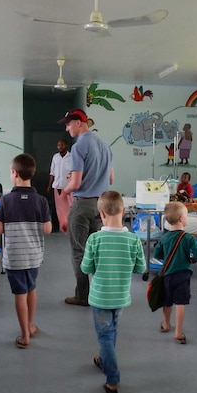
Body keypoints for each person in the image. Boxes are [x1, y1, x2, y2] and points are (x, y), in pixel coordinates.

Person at [80, 191, 146, 393]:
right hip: (121, 297)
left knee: (105, 336)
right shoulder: (133, 240)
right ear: (123, 211)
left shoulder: (94, 239)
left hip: (100, 297)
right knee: (112, 331)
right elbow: (140, 269)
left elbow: (86, 268)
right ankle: (104, 359)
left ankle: (113, 378)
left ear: (101, 214)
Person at [0, 153, 52, 349]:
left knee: (20, 293)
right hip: (34, 255)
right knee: (31, 288)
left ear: (14, 173)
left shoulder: (6, 200)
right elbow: (47, 229)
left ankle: (24, 335)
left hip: (15, 257)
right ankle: (31, 325)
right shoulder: (41, 201)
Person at [58, 108, 114, 307]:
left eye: (68, 124)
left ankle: (83, 295)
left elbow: (76, 182)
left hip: (82, 205)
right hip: (102, 205)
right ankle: (101, 293)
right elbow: (111, 178)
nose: (66, 128)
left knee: (78, 251)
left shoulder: (80, 146)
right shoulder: (105, 146)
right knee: (97, 251)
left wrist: (64, 191)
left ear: (79, 123)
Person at [154, 202, 197, 344]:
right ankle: (178, 332)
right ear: (182, 219)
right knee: (180, 303)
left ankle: (166, 323)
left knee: (167, 301)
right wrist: (190, 258)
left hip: (167, 274)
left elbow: (157, 254)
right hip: (183, 275)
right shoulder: (188, 238)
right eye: (187, 215)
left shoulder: (164, 238)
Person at [47, 139, 73, 232]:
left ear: (66, 145)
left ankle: (68, 225)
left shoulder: (71, 157)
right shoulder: (55, 157)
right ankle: (55, 226)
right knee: (54, 207)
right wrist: (49, 185)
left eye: (62, 145)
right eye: (58, 145)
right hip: (56, 186)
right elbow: (52, 172)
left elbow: (74, 171)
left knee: (68, 206)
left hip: (68, 186)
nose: (60, 147)